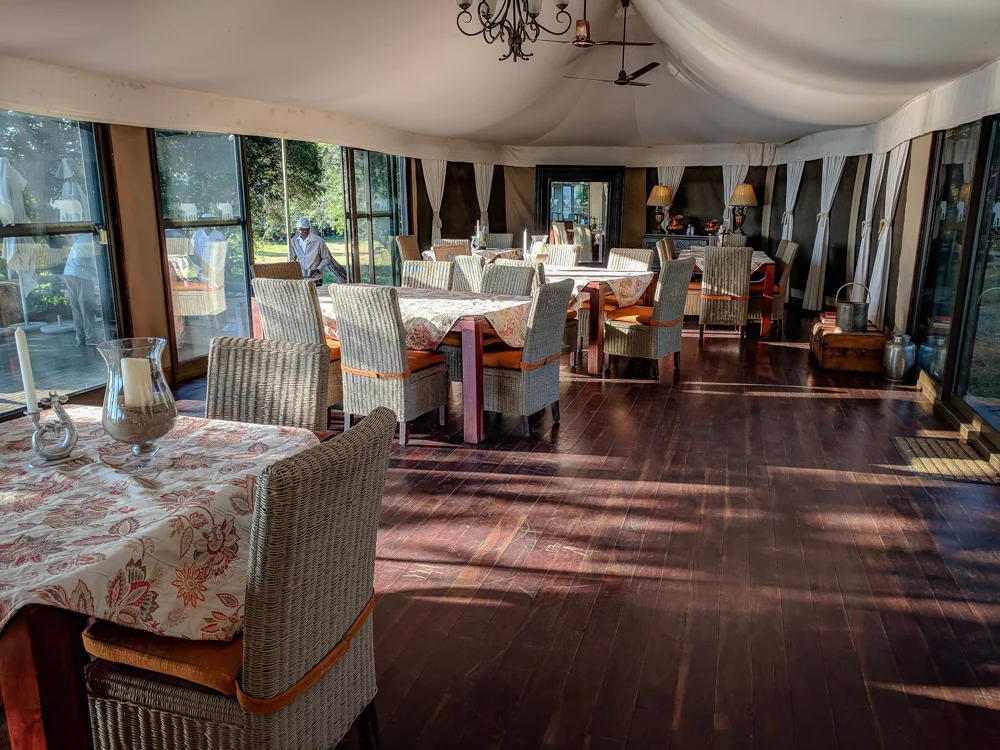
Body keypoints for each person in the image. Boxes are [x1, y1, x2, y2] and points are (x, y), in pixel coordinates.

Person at [63, 233, 101, 345]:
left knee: (76, 308)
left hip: (68, 273)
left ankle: (80, 337)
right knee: (86, 307)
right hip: (81, 275)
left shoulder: (83, 239)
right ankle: (91, 338)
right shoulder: (95, 241)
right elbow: (96, 266)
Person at [290, 217, 346, 282]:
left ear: (309, 229)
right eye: (299, 229)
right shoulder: (293, 241)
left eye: (303, 230)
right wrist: (295, 270)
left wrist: (318, 269)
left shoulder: (319, 241)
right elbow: (292, 258)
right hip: (300, 278)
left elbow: (326, 257)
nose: (301, 232)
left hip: (316, 278)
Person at [191, 214, 226, 282]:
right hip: (201, 270)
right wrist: (200, 269)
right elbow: (193, 254)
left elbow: (223, 255)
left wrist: (216, 270)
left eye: (210, 221)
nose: (207, 224)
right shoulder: (196, 235)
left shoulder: (219, 235)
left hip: (215, 271)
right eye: (205, 222)